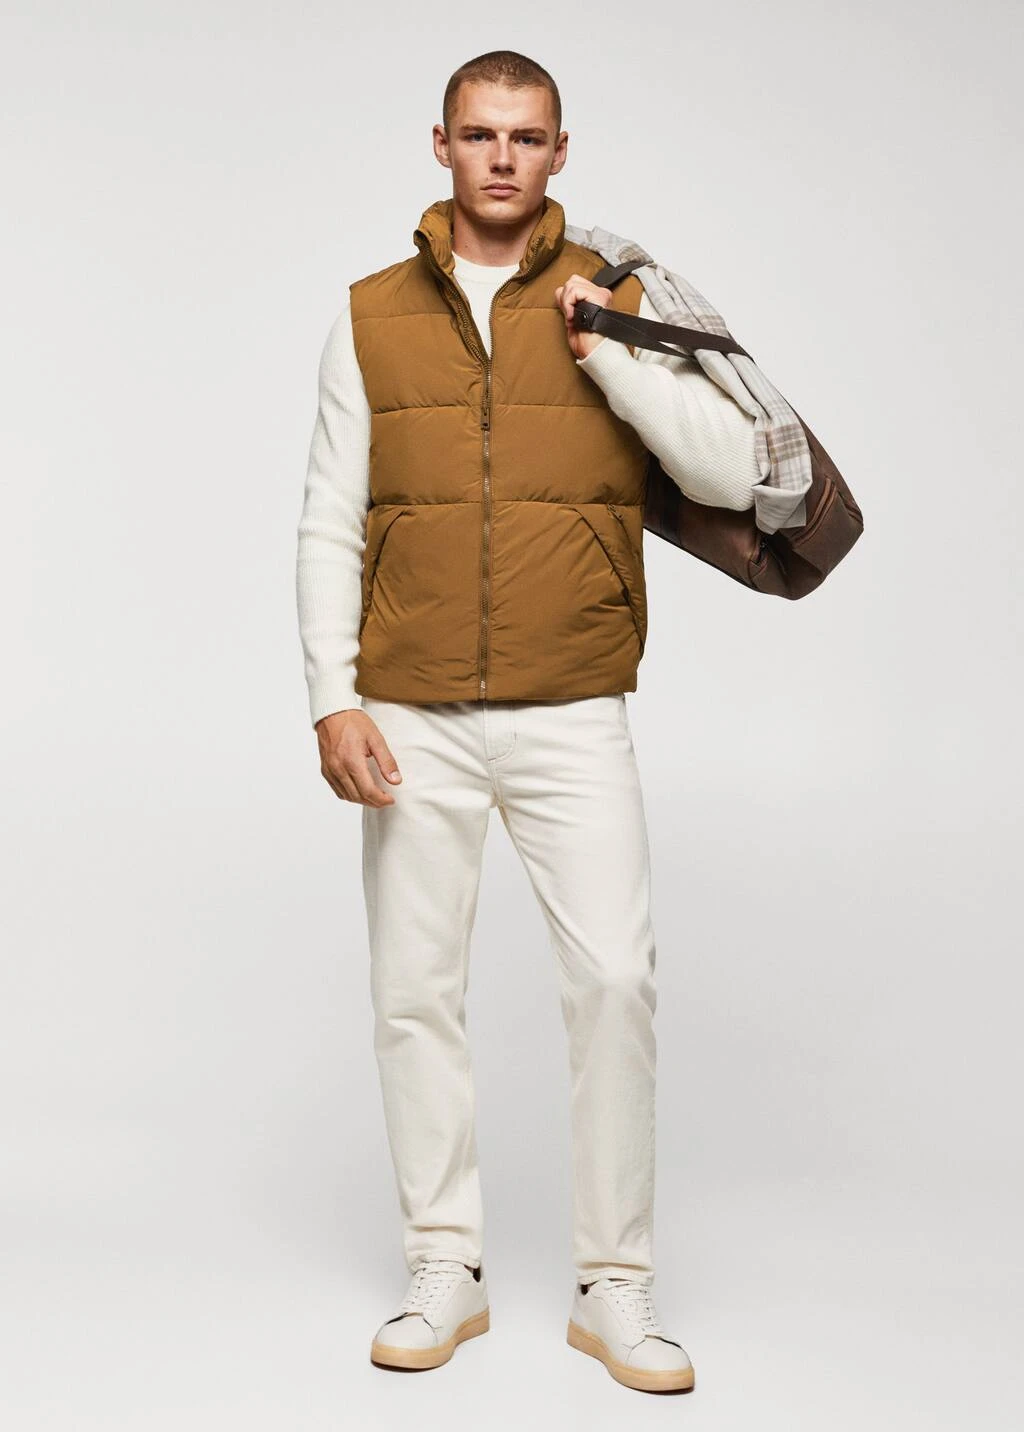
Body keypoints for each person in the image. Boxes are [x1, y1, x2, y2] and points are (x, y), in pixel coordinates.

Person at [295, 49, 762, 1395]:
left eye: (527, 135)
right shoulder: (370, 315)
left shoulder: (611, 297)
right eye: (480, 133)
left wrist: (608, 350)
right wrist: (332, 695)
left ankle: (615, 1287)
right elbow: (329, 515)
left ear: (561, 152)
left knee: (614, 980)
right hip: (411, 706)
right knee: (413, 993)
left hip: (574, 702)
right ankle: (445, 1264)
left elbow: (729, 471)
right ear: (440, 144)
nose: (502, 156)